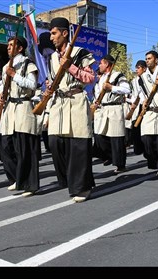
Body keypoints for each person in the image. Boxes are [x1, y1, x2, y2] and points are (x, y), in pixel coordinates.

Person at [43, 17, 96, 203]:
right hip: (59, 103)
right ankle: (68, 179)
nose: (51, 38)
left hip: (76, 100)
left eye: (54, 33)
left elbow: (90, 78)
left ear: (65, 33)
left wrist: (70, 67)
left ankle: (82, 187)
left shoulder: (81, 52)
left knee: (78, 146)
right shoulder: (51, 58)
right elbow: (51, 79)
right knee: (55, 143)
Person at [0, 36, 40, 197]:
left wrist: (14, 75)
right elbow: (4, 87)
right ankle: (17, 177)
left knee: (24, 148)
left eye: (12, 45)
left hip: (23, 107)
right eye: (7, 45)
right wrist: (2, 95)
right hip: (10, 108)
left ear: (20, 48)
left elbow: (32, 85)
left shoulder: (28, 64)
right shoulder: (5, 67)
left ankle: (30, 184)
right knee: (6, 145)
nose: (8, 47)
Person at [93, 54, 131, 174]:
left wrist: (112, 87)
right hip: (103, 109)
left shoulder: (118, 75)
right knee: (99, 136)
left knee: (116, 138)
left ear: (107, 64)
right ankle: (108, 156)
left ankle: (120, 164)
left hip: (115, 107)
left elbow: (127, 89)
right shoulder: (101, 79)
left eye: (101, 63)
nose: (99, 65)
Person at [126, 60, 147, 155]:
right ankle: (139, 148)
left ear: (144, 69)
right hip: (136, 106)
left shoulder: (148, 78)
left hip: (146, 105)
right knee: (135, 127)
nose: (136, 70)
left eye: (138, 68)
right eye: (136, 67)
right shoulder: (134, 81)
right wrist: (132, 103)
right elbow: (134, 94)